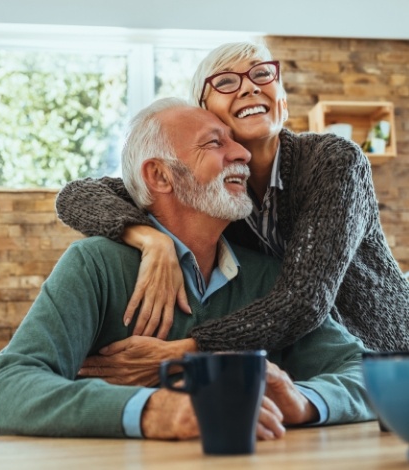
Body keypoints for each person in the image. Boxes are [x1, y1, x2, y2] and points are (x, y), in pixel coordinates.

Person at [0, 98, 374, 440]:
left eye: (235, 141)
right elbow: (6, 389)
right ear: (160, 175)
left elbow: (367, 374)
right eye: (215, 143)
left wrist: (303, 401)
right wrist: (155, 410)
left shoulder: (268, 277)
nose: (243, 154)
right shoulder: (95, 265)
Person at [56, 41, 409, 356]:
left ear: (282, 102)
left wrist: (188, 350)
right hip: (300, 360)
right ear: (204, 112)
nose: (250, 86)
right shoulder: (212, 190)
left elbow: (304, 300)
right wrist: (151, 240)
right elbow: (78, 195)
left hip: (382, 356)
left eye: (262, 74)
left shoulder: (334, 161)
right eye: (226, 81)